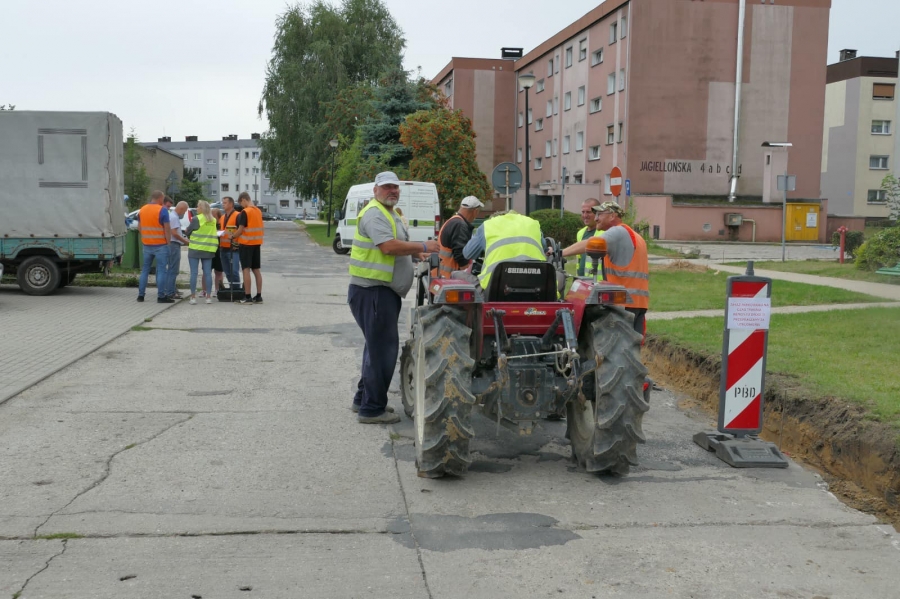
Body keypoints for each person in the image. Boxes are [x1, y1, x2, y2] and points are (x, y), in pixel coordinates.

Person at [348, 171, 440, 424]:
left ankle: (362, 400)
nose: (393, 191)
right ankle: (372, 409)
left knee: (375, 349)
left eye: (396, 188)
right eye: (387, 187)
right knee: (382, 352)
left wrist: (413, 256)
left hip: (380, 292)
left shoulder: (390, 213)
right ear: (375, 190)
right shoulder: (375, 213)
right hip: (373, 292)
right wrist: (423, 247)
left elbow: (396, 247)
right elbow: (387, 247)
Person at [561, 201, 649, 335]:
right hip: (638, 303)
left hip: (622, 303)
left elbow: (590, 243)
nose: (596, 218)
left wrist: (560, 252)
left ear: (612, 216)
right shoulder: (635, 236)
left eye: (600, 214)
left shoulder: (617, 232)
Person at [462, 210, 546, 290]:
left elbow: (468, 254)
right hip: (537, 286)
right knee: (559, 275)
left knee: (456, 274)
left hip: (494, 289)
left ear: (494, 219)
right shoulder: (532, 223)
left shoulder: (487, 226)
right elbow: (544, 247)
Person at [136, 190, 172, 303]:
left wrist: (146, 237)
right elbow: (167, 229)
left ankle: (141, 296)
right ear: (160, 198)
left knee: (145, 270)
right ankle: (161, 296)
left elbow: (139, 227)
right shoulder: (162, 210)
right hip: (161, 245)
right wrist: (168, 242)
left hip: (147, 244)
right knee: (161, 270)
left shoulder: (142, 210)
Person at [436, 196, 483, 278]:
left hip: (443, 275)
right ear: (475, 211)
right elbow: (460, 254)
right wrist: (466, 274)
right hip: (452, 277)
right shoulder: (460, 225)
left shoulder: (453, 220)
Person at [232, 192, 264, 304]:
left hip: (246, 244)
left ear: (244, 200)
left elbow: (240, 230)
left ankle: (248, 296)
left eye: (241, 203)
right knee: (256, 270)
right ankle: (259, 296)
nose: (241, 206)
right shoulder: (258, 211)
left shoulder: (245, 212)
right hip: (257, 243)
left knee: (246, 269)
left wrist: (232, 236)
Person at [184, 200, 218, 305]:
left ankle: (193, 297)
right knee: (208, 273)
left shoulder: (196, 219)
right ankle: (208, 297)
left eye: (198, 207)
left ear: (202, 208)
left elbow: (188, 231)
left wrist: (186, 231)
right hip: (208, 249)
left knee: (194, 273)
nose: (196, 208)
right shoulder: (213, 220)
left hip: (195, 249)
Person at [164, 199, 190, 300]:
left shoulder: (172, 216)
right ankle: (170, 292)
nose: (184, 213)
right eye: (185, 211)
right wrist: (185, 241)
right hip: (174, 245)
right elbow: (174, 233)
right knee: (173, 269)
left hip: (172, 244)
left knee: (171, 268)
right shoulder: (174, 217)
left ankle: (172, 289)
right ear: (181, 208)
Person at [572, 198, 603, 277]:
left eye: (589, 212)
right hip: (582, 281)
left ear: (598, 213)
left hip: (598, 282)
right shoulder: (580, 233)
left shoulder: (604, 233)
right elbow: (579, 258)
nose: (585, 215)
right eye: (583, 212)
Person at [218, 196, 241, 291]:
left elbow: (241, 231)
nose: (223, 204)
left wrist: (237, 244)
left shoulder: (238, 215)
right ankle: (232, 289)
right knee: (227, 271)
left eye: (225, 203)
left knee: (234, 271)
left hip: (233, 248)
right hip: (223, 248)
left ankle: (236, 290)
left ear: (231, 204)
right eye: (222, 202)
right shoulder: (223, 217)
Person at [210, 207, 224, 297]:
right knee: (208, 270)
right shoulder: (210, 224)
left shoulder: (221, 225)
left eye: (214, 215)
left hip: (219, 250)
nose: (212, 217)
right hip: (210, 249)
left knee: (218, 272)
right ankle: (207, 290)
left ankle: (218, 289)